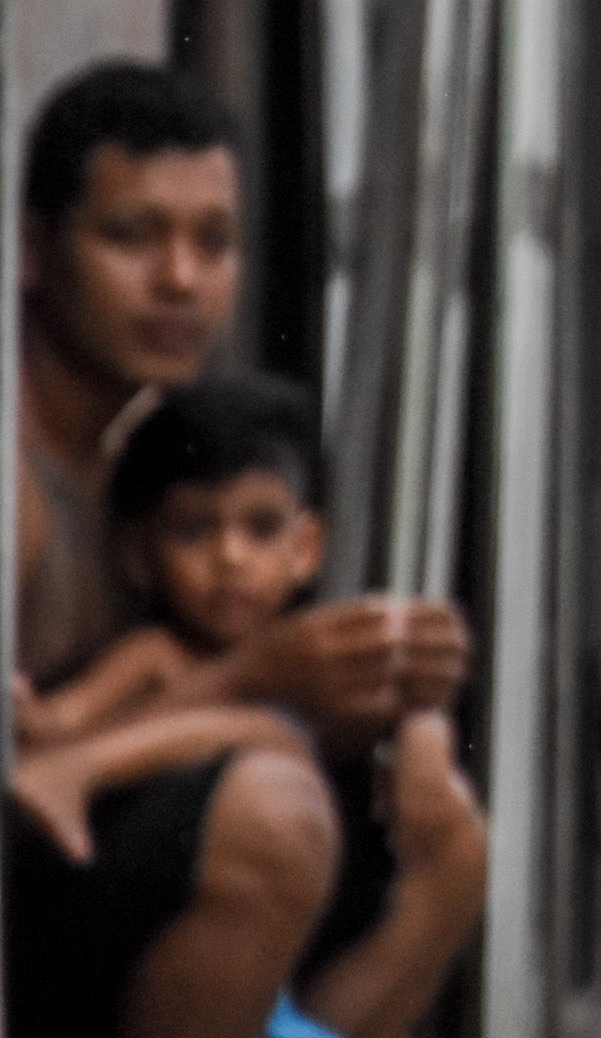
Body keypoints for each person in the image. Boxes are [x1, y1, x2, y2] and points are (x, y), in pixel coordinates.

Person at [8, 60, 473, 1038]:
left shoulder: (149, 449)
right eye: (132, 236)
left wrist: (394, 700)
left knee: (443, 847)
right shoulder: (17, 481)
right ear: (36, 250)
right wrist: (257, 673)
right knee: (271, 815)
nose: (180, 277)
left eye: (212, 241)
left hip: (88, 857)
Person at [13, 375, 489, 1038]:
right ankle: (82, 775)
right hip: (168, 941)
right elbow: (64, 721)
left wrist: (426, 753)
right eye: (193, 531)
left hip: (289, 991)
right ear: (138, 554)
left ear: (306, 550)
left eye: (261, 529)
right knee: (265, 733)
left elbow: (405, 694)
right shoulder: (154, 655)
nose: (231, 559)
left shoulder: (313, 654)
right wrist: (39, 720)